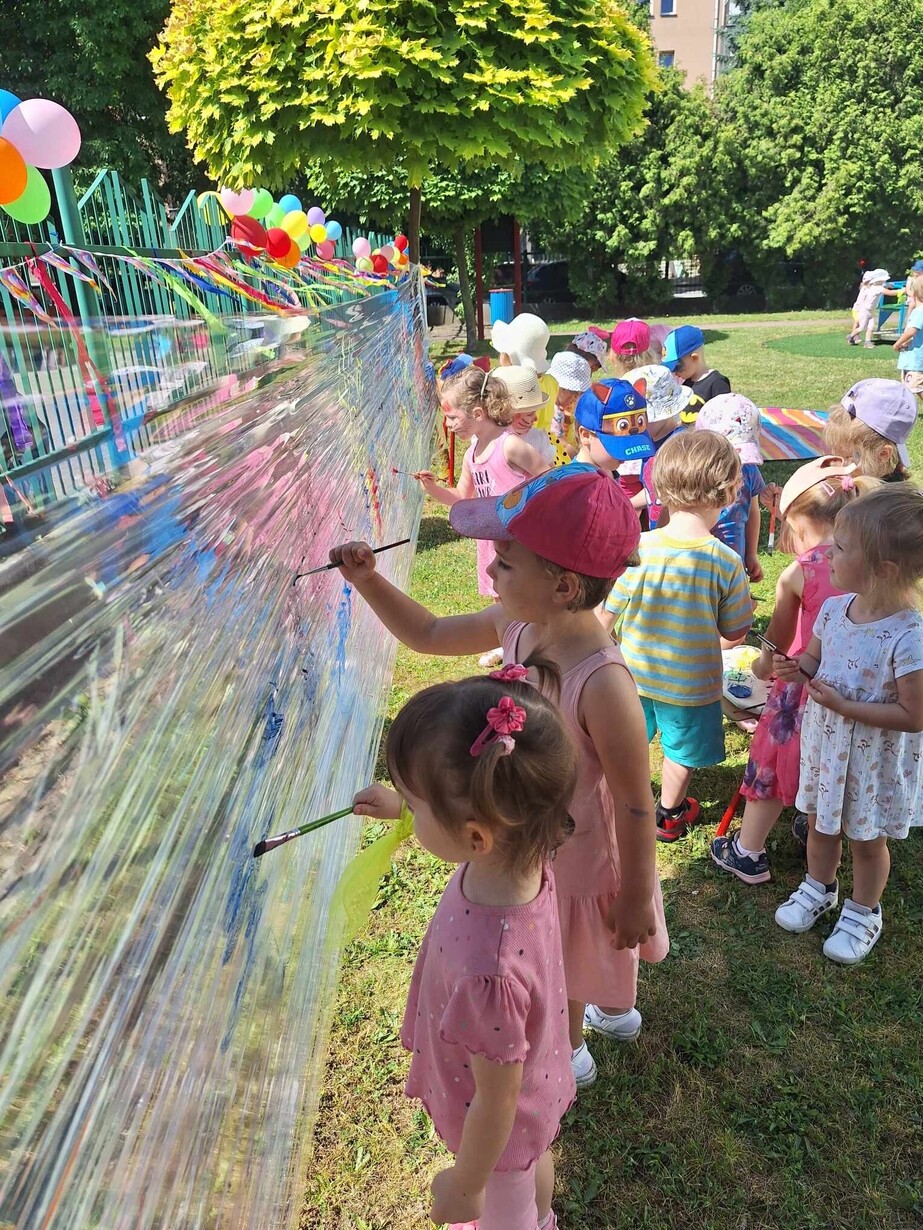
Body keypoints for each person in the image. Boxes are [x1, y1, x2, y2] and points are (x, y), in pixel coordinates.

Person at [329, 465, 667, 1091]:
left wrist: (636, 895)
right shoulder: (514, 625)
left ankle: (569, 1049)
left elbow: (634, 803)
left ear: (563, 585)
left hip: (584, 853)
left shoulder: (603, 683)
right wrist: (368, 580)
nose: (491, 571)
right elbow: (428, 633)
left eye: (505, 564)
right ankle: (596, 1014)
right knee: (549, 943)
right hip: (531, 834)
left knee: (572, 949)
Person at [353, 674, 579, 1230]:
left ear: (476, 837)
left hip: (496, 1133)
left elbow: (496, 1102)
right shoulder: (524, 853)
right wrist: (404, 809)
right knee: (532, 1160)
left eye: (416, 806)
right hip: (535, 1088)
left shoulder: (490, 970)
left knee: (510, 1188)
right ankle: (541, 1217)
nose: (411, 813)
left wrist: (466, 1184)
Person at [773, 486, 923, 964]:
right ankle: (819, 887)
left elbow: (914, 715)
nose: (827, 555)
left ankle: (863, 911)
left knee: (866, 839)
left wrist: (845, 706)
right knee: (820, 824)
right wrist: (794, 668)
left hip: (872, 761)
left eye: (839, 548)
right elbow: (814, 662)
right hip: (828, 750)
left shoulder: (909, 635)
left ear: (883, 570)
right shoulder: (834, 611)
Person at [711, 458, 878, 884]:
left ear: (799, 523)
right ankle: (813, 822)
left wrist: (760, 666)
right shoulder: (877, 562)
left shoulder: (800, 571)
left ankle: (747, 851)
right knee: (833, 763)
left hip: (802, 686)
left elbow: (776, 647)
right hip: (859, 691)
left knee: (773, 760)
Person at [601, 431, 753, 841]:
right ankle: (668, 815)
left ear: (660, 488)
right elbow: (735, 630)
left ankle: (614, 801)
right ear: (729, 492)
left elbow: (606, 616)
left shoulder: (639, 546)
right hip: (690, 684)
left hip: (633, 674)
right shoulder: (725, 560)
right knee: (680, 752)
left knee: (628, 740)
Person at [414, 365, 548, 600]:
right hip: (492, 542)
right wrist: (432, 488)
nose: (448, 425)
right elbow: (461, 496)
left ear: (477, 414)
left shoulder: (510, 446)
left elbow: (551, 479)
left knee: (526, 602)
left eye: (452, 417)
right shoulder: (471, 455)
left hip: (520, 541)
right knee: (500, 603)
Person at [694, 393, 766, 581]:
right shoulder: (696, 473)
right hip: (699, 559)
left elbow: (753, 511)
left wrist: (751, 553)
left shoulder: (749, 470)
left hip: (735, 559)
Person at [628, 364, 693, 522]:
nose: (633, 427)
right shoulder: (650, 443)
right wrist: (628, 504)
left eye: (640, 420)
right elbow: (653, 491)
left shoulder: (680, 447)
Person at [822, 378, 916, 482]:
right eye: (835, 453)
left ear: (883, 454)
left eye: (848, 457)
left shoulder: (889, 493)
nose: (837, 466)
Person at [572, 377, 654, 474]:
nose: (625, 457)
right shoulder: (577, 481)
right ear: (585, 435)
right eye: (618, 448)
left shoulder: (606, 470)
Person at [662, 324, 731, 403]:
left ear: (694, 358)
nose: (674, 372)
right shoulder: (686, 385)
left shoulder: (717, 383)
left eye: (677, 367)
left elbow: (726, 409)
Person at [545, 351, 593, 449]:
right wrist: (580, 453)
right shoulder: (553, 411)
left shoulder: (555, 406)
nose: (575, 398)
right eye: (574, 392)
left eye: (579, 393)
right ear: (559, 387)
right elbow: (560, 442)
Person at [892, 272, 923, 401]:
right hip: (914, 359)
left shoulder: (919, 312)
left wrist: (897, 344)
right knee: (911, 388)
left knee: (916, 388)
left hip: (915, 360)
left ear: (915, 293)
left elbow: (911, 331)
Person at [847, 268, 894, 348]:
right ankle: (851, 336)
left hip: (870, 311)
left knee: (871, 327)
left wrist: (888, 285)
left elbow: (882, 286)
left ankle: (867, 342)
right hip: (863, 310)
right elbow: (889, 292)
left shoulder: (874, 287)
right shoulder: (875, 288)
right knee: (861, 327)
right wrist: (901, 291)